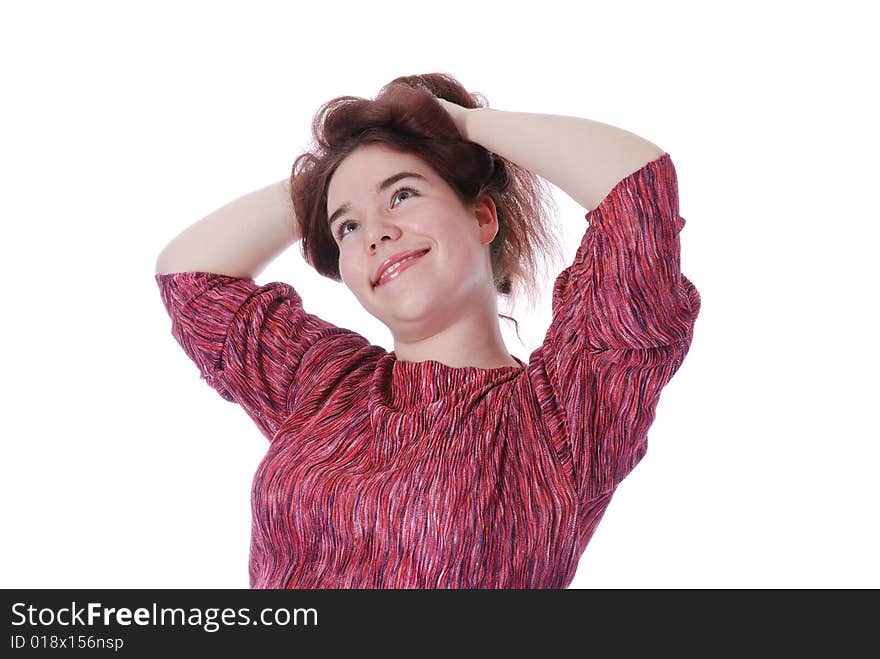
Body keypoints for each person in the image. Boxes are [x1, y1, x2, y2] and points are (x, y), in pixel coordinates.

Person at [154, 73, 701, 589]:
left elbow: (636, 191)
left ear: (483, 217)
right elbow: (190, 277)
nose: (376, 234)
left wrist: (459, 126)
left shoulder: (563, 416)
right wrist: (330, 174)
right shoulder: (324, 384)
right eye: (347, 226)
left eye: (403, 195)